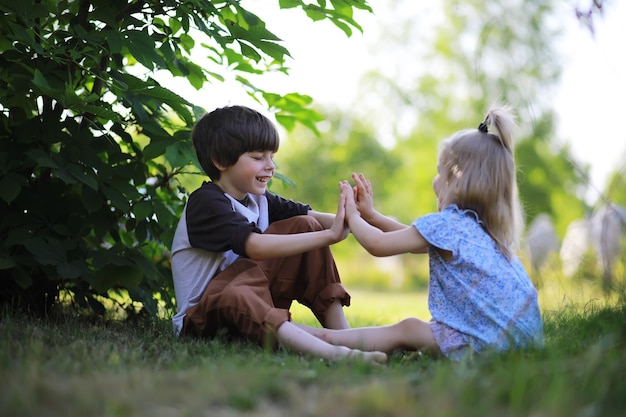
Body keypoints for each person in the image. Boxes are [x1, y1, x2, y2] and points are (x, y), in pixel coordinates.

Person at [299, 106, 544, 360]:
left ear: (457, 180)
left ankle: (322, 339)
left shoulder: (448, 225)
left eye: (439, 172)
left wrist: (352, 214)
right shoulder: (481, 230)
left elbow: (377, 244)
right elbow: (413, 239)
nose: (434, 181)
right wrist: (371, 216)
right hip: (520, 343)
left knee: (409, 329)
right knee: (419, 328)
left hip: (486, 345)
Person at [170, 105, 387, 365]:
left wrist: (358, 215)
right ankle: (334, 352)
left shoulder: (257, 199)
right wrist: (330, 235)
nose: (270, 166)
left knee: (305, 224)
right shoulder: (205, 202)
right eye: (258, 157)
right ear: (221, 160)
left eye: (271, 156)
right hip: (204, 317)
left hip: (249, 302)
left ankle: (343, 333)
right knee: (235, 293)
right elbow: (255, 247)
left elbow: (316, 218)